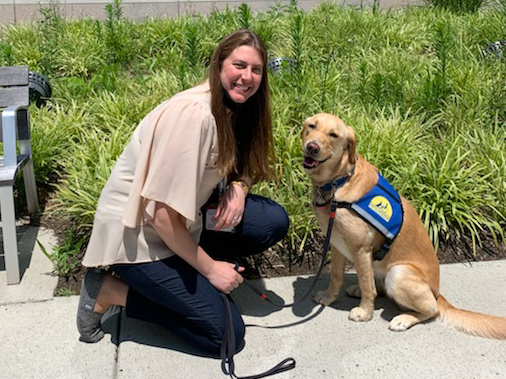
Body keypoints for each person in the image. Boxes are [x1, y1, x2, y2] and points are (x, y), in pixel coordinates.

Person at [76, 30, 289, 354]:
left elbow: (241, 164)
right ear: (219, 64)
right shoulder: (194, 116)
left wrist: (238, 186)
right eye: (239, 65)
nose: (247, 77)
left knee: (270, 220)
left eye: (256, 69)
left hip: (184, 222)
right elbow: (161, 216)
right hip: (139, 237)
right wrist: (211, 269)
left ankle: (189, 281)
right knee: (227, 336)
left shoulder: (234, 107)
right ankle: (108, 290)